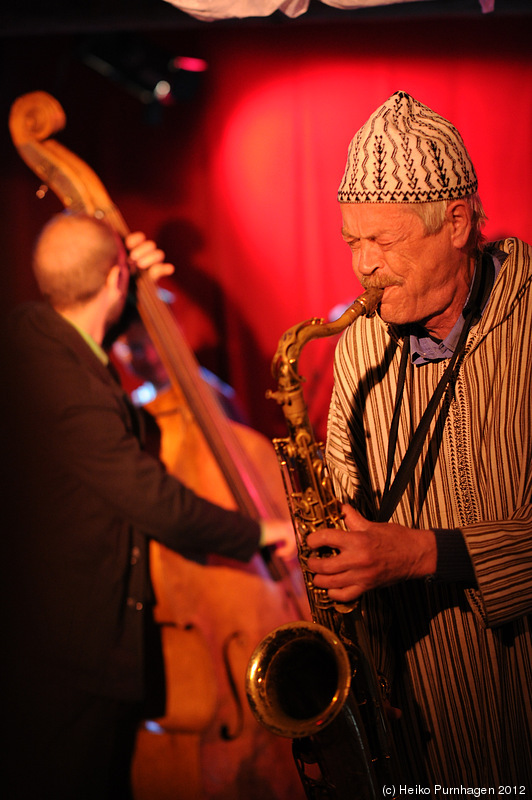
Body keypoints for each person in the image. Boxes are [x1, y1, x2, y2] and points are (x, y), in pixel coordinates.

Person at [0, 212, 293, 800]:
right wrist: (258, 533)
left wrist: (129, 289)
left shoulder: (28, 336)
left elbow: (95, 335)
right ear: (112, 280)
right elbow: (155, 501)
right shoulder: (79, 396)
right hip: (72, 658)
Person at [306, 91, 532, 788]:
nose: (364, 266)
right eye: (352, 242)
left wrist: (423, 553)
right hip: (412, 707)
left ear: (457, 222)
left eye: (385, 240)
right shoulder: (359, 342)